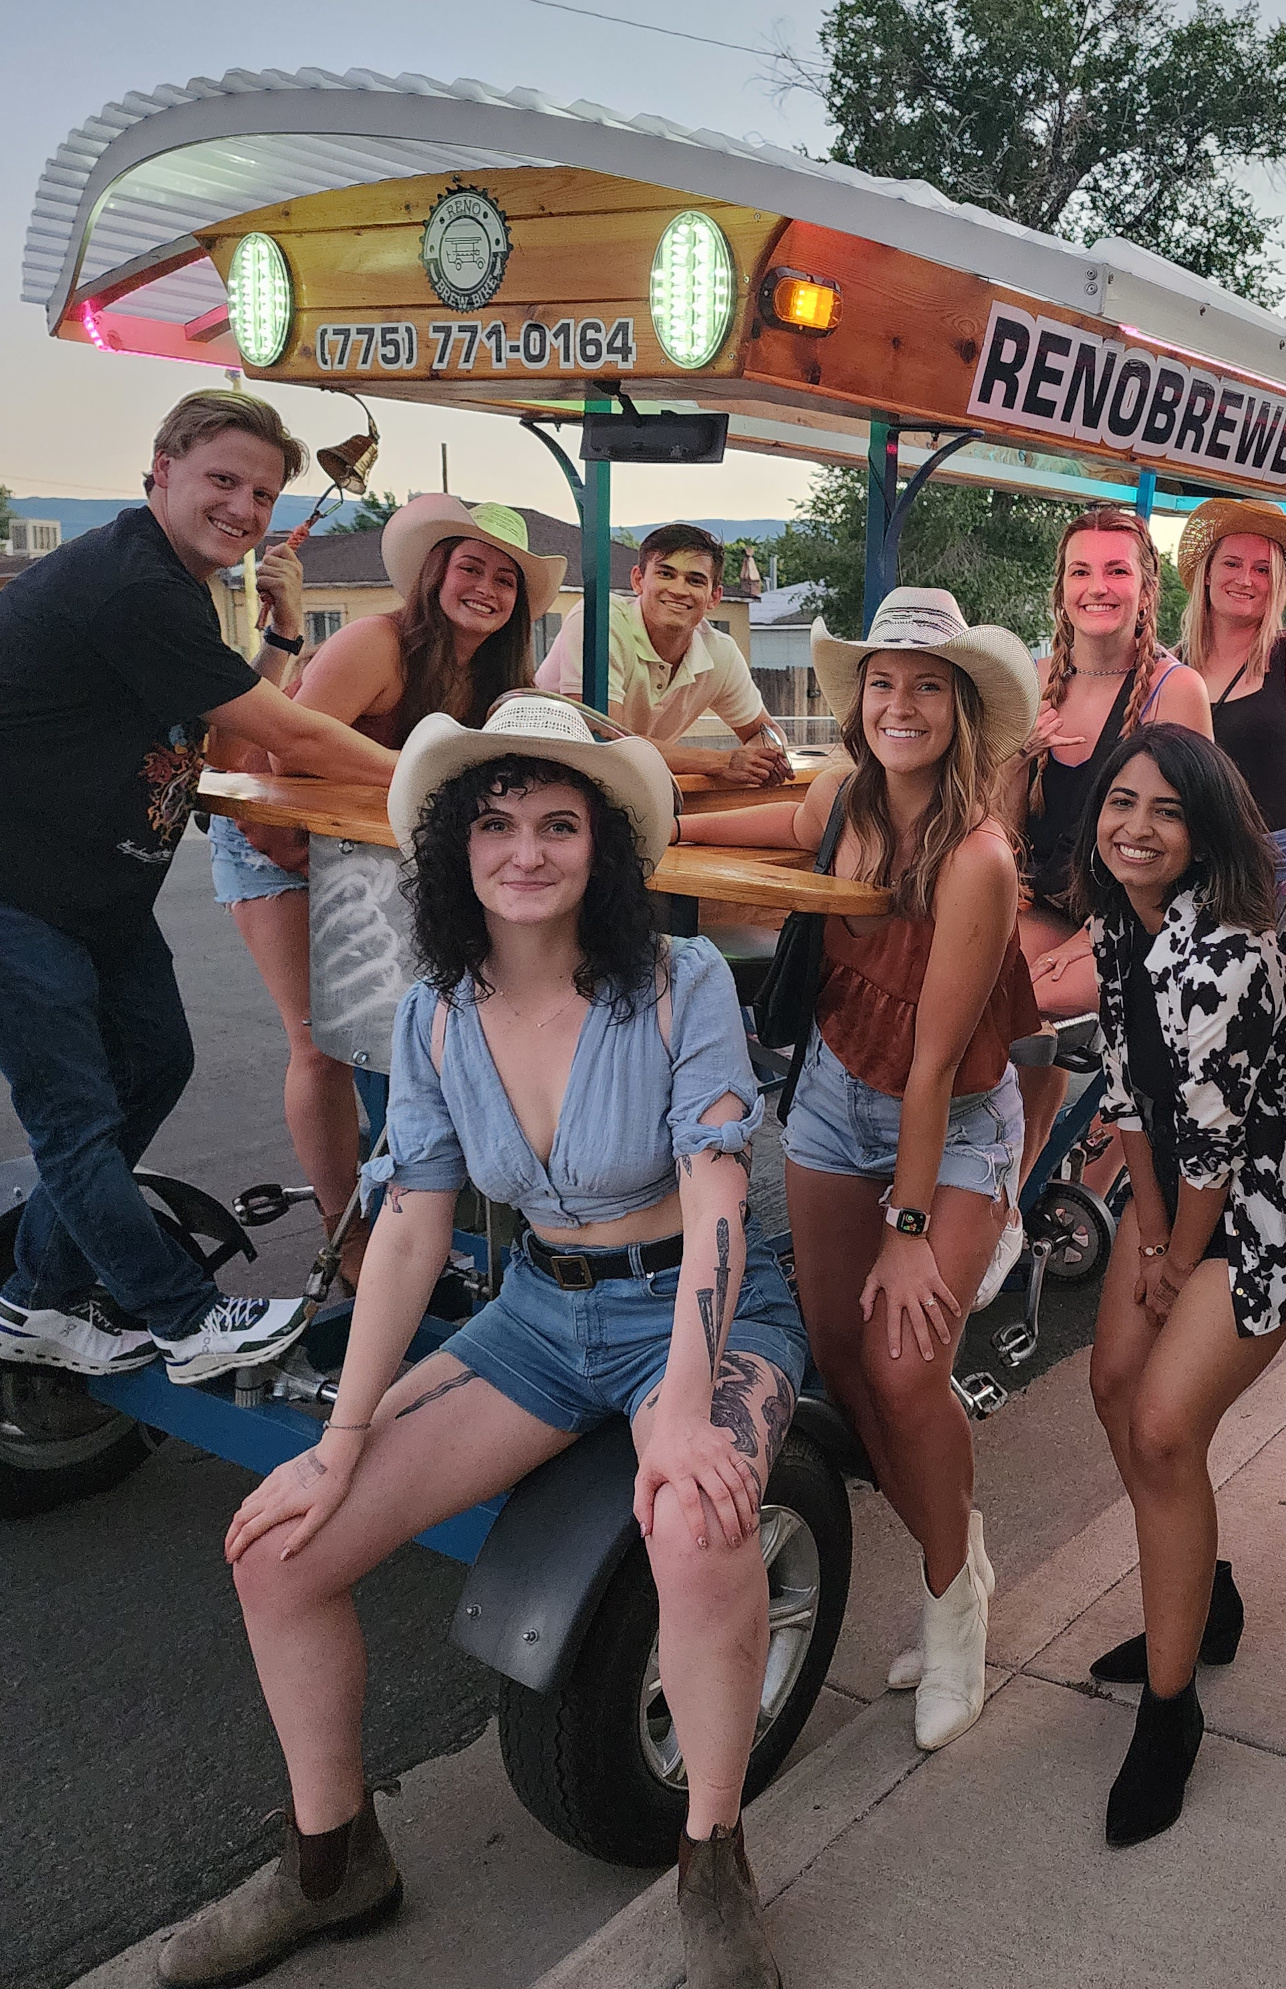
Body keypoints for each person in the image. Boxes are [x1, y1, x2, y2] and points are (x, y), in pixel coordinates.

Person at [160, 695, 806, 1989]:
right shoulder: (436, 1012)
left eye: (559, 823)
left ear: (601, 846)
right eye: (497, 822)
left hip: (695, 1309)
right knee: (277, 1550)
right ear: (456, 846)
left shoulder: (677, 985)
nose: (526, 851)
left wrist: (687, 1407)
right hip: (538, 1318)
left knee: (696, 1524)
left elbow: (719, 1202)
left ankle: (712, 1854)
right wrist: (341, 1437)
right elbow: (408, 1225)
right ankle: (334, 1862)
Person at [679, 586, 1040, 1751]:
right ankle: (956, 1546)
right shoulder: (837, 800)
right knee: (839, 1357)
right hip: (836, 1098)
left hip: (950, 1123)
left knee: (902, 1368)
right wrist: (628, 810)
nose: (901, 704)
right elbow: (717, 834)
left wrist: (909, 1227)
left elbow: (933, 1066)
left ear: (961, 707)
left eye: (927, 685)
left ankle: (951, 1608)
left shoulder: (977, 856)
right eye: (883, 682)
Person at [0, 391, 397, 1388]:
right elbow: (291, 734)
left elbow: (228, 739)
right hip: (20, 893)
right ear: (163, 468)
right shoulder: (130, 583)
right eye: (224, 479)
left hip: (98, 896)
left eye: (262, 494)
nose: (244, 508)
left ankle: (37, 1295)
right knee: (74, 1120)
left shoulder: (175, 587)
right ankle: (185, 1320)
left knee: (156, 1061)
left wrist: (283, 631)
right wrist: (443, 779)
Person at [1076, 723, 1286, 1846]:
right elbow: (1127, 1092)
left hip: (1258, 1210)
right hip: (1173, 1201)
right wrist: (1143, 1241)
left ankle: (1171, 1711)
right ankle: (1202, 1597)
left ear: (1205, 831)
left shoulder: (1224, 952)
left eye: (1166, 812)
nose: (1136, 827)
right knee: (1111, 1387)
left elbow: (1219, 1143)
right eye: (1120, 802)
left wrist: (1177, 1264)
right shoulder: (1114, 925)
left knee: (1164, 1428)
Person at [207, 495, 561, 1287]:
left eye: (505, 580)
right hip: (278, 846)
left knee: (414, 1034)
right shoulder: (376, 643)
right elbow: (285, 758)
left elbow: (558, 739)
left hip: (371, 859)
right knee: (321, 1044)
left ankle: (422, 1216)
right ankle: (345, 1234)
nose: (486, 588)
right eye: (471, 568)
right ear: (436, 573)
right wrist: (420, 775)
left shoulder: (498, 675)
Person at [1009, 506, 1211, 1177]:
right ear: (1062, 588)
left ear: (1146, 589)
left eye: (1117, 571)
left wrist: (1089, 935)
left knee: (1022, 998)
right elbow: (1005, 827)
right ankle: (1011, 1178)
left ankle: (1041, 1172)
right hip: (1048, 901)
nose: (1098, 586)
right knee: (962, 980)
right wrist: (1017, 756)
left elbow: (1189, 844)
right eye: (1081, 571)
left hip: (1143, 917)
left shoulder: (1175, 690)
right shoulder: (1035, 679)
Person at [1173, 496, 1286, 919]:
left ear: (1279, 583)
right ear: (1208, 573)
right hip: (1195, 865)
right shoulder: (1171, 666)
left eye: (1262, 569)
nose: (1245, 579)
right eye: (1232, 563)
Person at [535, 521, 789, 785]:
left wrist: (766, 759)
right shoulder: (599, 621)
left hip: (621, 785)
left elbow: (766, 731)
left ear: (714, 597)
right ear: (638, 580)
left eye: (695, 580)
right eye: (666, 574)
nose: (678, 590)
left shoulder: (719, 651)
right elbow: (605, 740)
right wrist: (722, 762)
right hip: (538, 779)